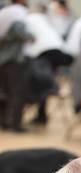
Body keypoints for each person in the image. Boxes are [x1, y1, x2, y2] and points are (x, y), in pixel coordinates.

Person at [0, 0, 32, 131]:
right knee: (17, 92)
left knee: (3, 92)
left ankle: (3, 121)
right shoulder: (18, 12)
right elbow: (20, 31)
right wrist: (32, 36)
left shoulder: (4, 12)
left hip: (2, 58)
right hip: (14, 58)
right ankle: (16, 124)